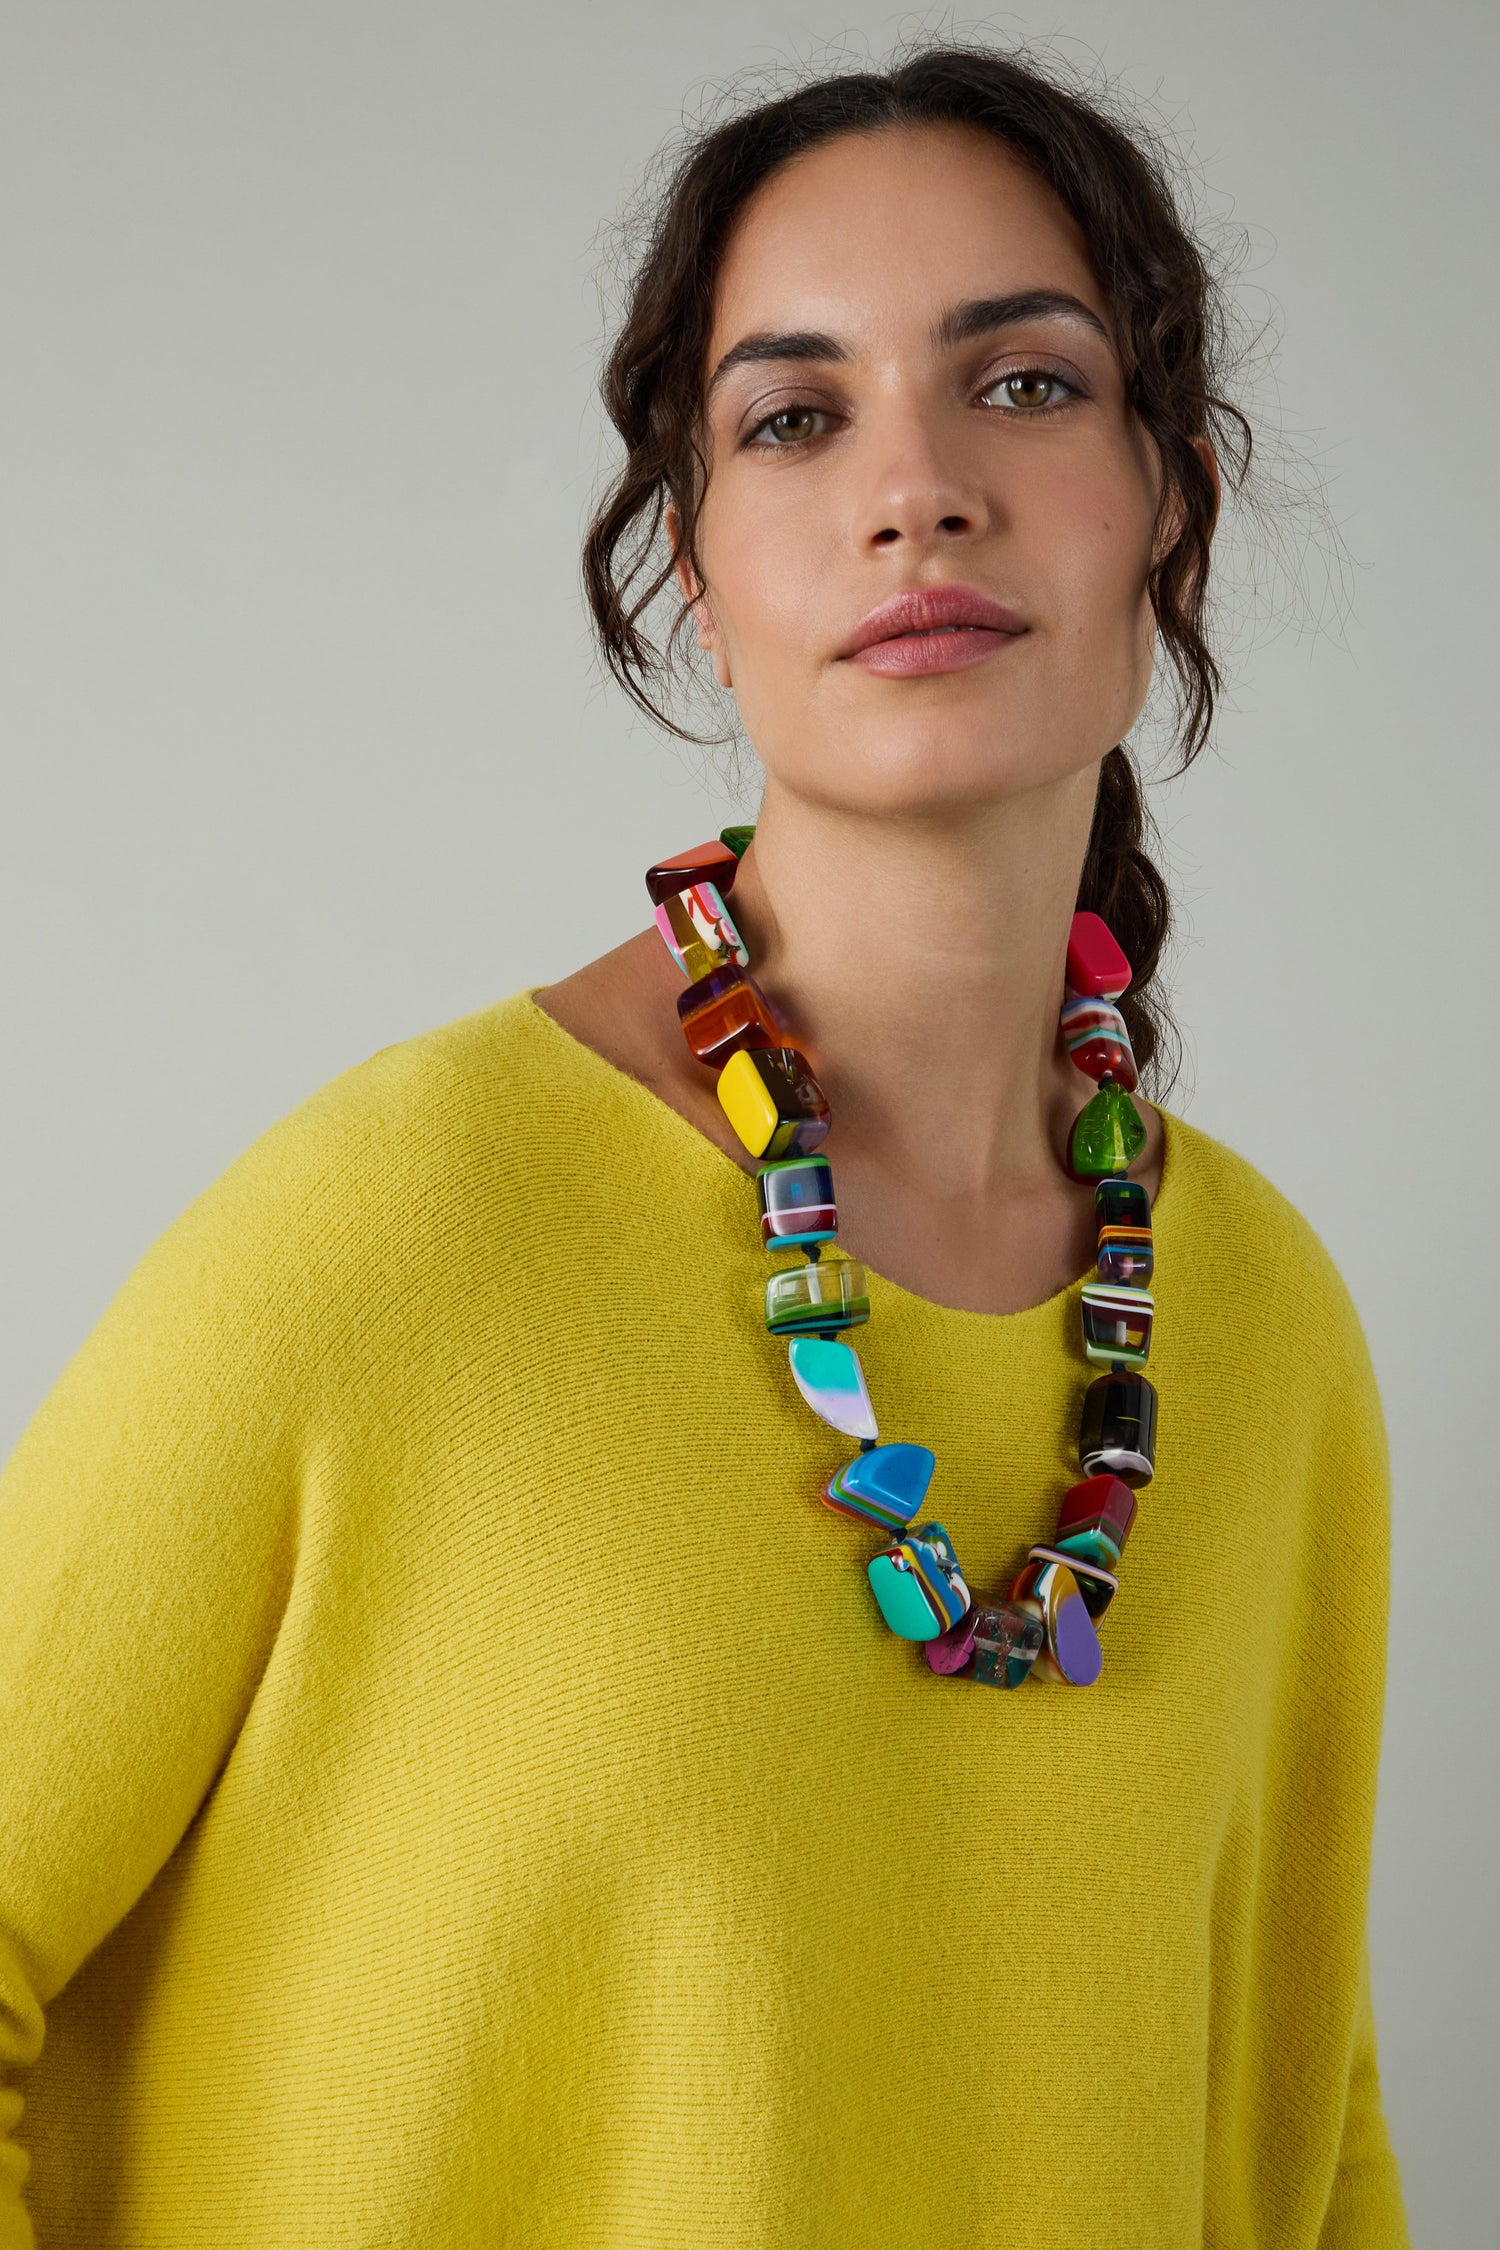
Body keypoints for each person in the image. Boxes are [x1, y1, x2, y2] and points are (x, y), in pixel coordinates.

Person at [0, 41, 1411, 2249]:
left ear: (1174, 495)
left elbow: (1307, 2145)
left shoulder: (1272, 1332)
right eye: (795, 417)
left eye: (1025, 385)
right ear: (695, 563)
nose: (916, 488)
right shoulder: (396, 1231)